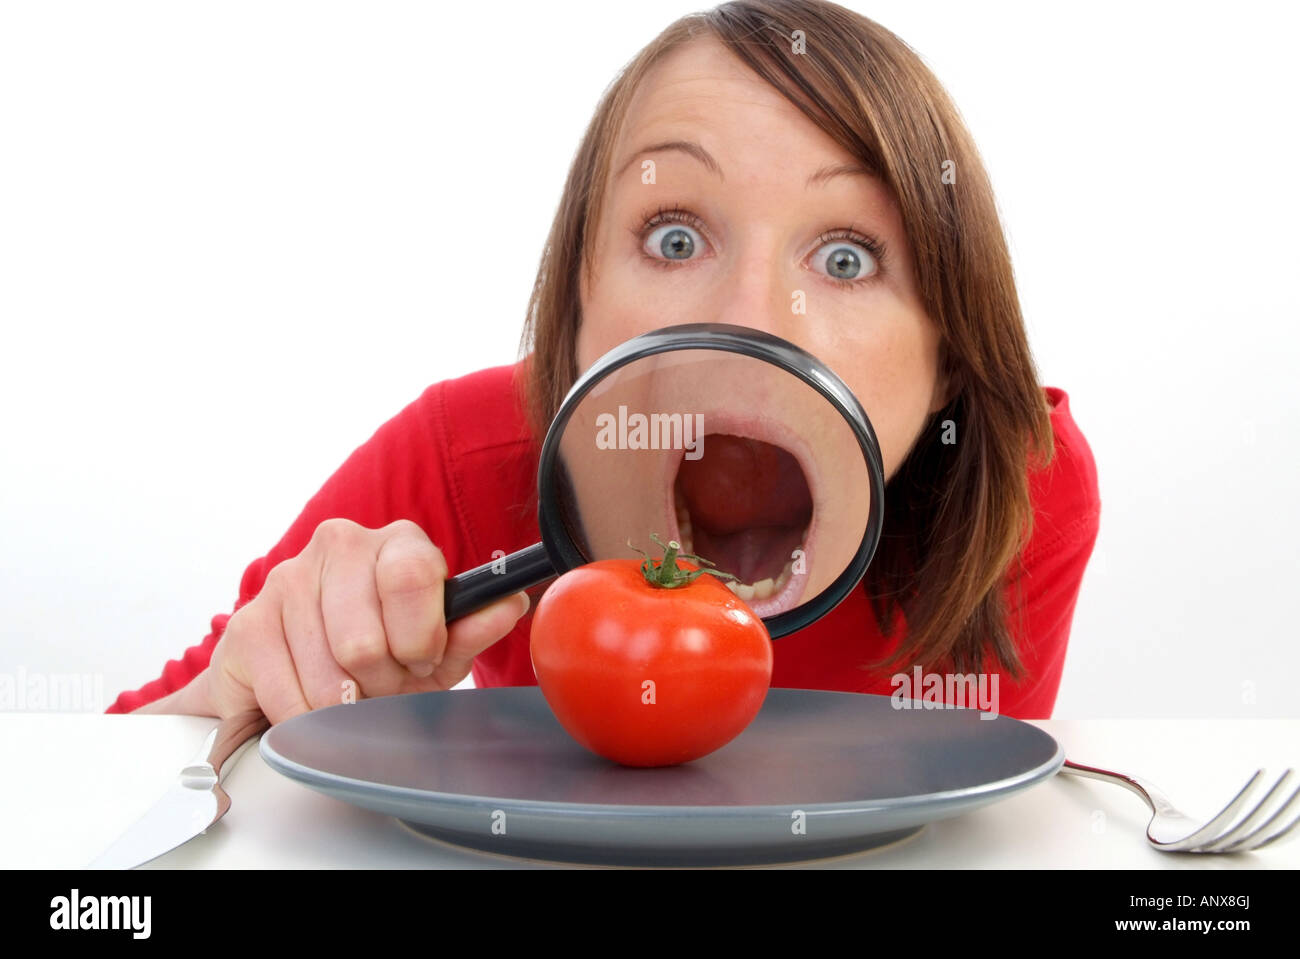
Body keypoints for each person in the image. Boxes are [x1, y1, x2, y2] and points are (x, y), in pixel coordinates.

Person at [108, 0, 1100, 724]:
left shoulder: (1021, 482)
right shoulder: (468, 453)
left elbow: (967, 828)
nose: (751, 316)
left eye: (845, 257)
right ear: (575, 303)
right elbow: (97, 784)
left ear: (948, 356)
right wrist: (236, 696)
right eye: (675, 239)